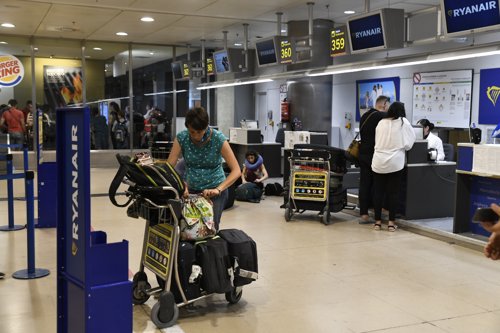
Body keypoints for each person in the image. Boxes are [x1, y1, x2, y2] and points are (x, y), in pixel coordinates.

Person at [167, 107, 241, 230]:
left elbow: (236, 171)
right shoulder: (182, 138)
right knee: (189, 229)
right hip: (190, 191)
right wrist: (181, 185)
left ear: (207, 126)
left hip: (215, 192)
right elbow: (168, 169)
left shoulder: (218, 138)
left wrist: (218, 189)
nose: (196, 136)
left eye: (199, 132)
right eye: (192, 132)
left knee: (209, 229)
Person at [371, 101, 416, 231]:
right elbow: (409, 143)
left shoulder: (381, 122)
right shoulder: (403, 122)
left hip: (378, 161)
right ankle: (391, 223)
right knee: (393, 193)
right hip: (395, 162)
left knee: (378, 193)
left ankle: (377, 222)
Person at [358, 95, 390, 224]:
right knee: (378, 184)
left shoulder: (365, 116)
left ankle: (364, 214)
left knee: (365, 183)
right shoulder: (380, 116)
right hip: (375, 155)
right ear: (384, 105)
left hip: (363, 154)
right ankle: (380, 211)